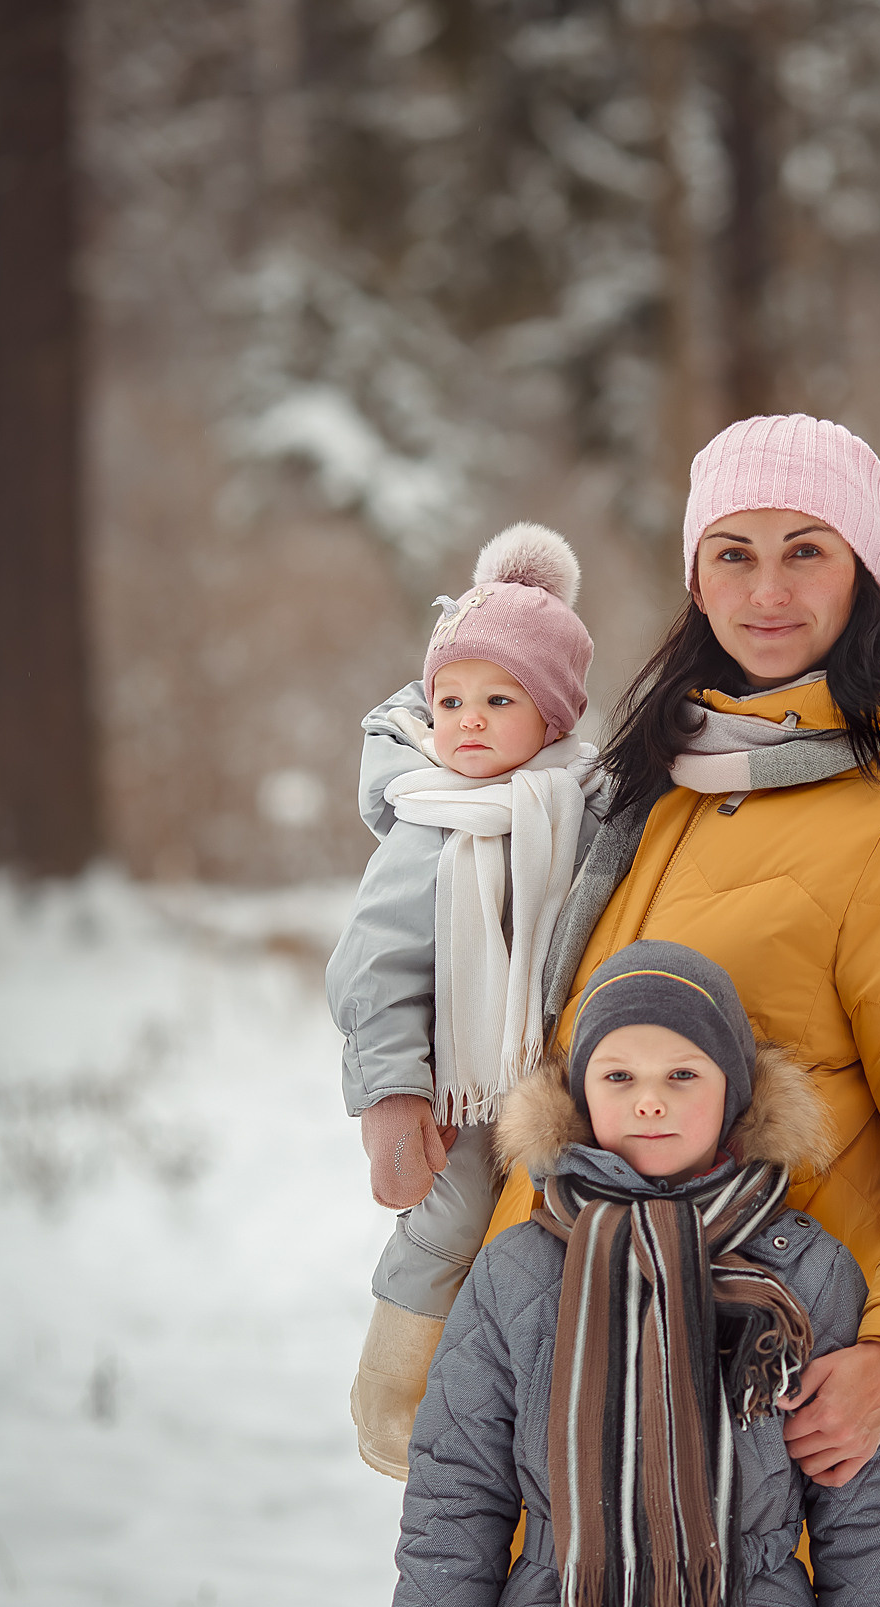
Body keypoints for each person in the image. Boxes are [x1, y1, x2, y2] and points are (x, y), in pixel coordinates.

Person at [487, 413, 880, 1488]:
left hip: (756, 1398)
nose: (768, 592)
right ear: (695, 581)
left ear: (866, 572)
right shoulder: (663, 780)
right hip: (567, 1372)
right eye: (734, 555)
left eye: (806, 551)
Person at [388, 942, 880, 1607]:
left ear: (734, 1095)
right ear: (576, 1098)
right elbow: (457, 1481)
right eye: (619, 1077)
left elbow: (861, 1491)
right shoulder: (518, 1272)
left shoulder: (805, 1271)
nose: (650, 1102)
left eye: (683, 1075)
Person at [326, 524, 607, 1477]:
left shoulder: (579, 805)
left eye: (499, 699)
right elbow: (375, 969)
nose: (468, 722)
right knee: (452, 1224)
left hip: (561, 1080)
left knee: (548, 1243)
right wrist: (392, 1097)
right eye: (450, 700)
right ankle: (394, 1399)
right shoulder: (429, 822)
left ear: (554, 716)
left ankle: (525, 1415)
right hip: (456, 1088)